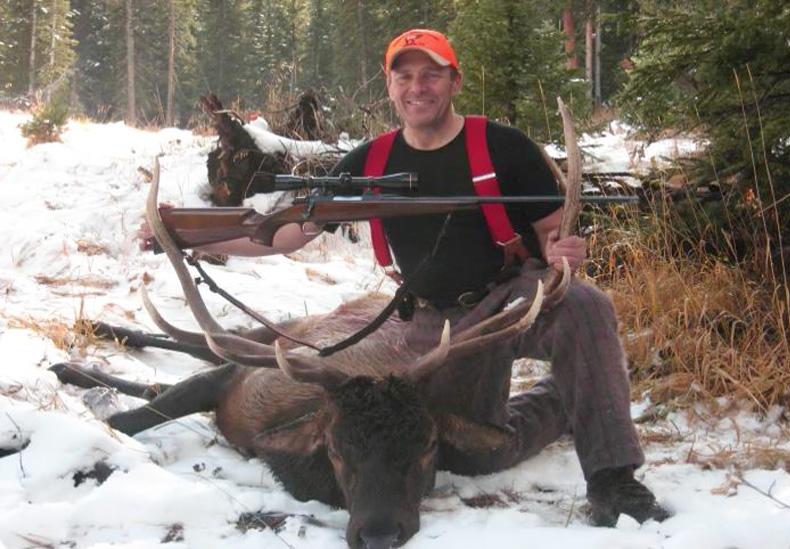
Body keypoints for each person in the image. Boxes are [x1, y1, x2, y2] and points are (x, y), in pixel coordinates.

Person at [143, 28, 668, 527]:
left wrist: (563, 253)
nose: (419, 87)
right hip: (433, 325)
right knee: (467, 454)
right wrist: (188, 239)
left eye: (432, 75)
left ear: (454, 81)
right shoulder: (370, 161)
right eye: (405, 77)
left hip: (510, 298)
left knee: (585, 305)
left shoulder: (502, 147)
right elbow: (284, 236)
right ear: (390, 86)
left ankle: (614, 481)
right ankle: (564, 402)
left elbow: (553, 233)